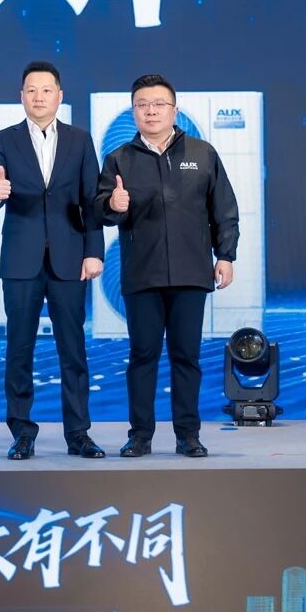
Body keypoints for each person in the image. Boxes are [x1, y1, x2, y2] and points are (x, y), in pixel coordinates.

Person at [95, 74, 239, 458]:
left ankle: (188, 435)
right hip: (142, 275)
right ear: (133, 112)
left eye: (159, 104)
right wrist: (112, 205)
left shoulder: (202, 154)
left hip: (192, 274)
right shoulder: (119, 159)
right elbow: (100, 212)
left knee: (186, 357)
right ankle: (139, 436)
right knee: (142, 357)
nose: (151, 111)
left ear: (174, 110)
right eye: (142, 104)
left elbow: (224, 210)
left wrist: (226, 255)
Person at [0, 61, 106, 460]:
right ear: (21, 96)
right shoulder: (3, 139)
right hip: (21, 260)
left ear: (59, 96)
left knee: (73, 349)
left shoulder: (79, 140)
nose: (39, 97)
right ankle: (22, 432)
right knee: (19, 349)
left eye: (46, 90)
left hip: (70, 259)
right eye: (31, 90)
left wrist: (94, 251)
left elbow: (92, 201)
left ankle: (79, 433)